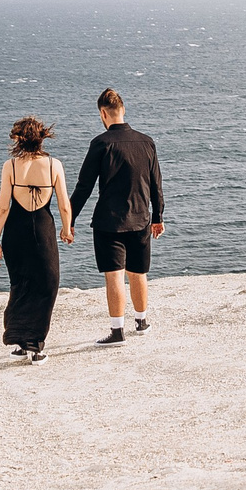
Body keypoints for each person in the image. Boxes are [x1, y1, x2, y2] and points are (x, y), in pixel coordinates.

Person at [68, 87, 166, 345]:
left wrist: (69, 220)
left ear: (103, 113)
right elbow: (156, 183)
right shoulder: (146, 142)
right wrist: (158, 217)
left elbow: (83, 187)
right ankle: (142, 322)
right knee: (138, 273)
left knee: (114, 275)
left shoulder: (100, 144)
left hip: (108, 222)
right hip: (141, 218)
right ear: (123, 111)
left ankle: (117, 331)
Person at [0, 116, 73, 364]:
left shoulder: (11, 166)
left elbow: (3, 207)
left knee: (21, 284)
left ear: (19, 139)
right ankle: (35, 345)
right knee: (47, 284)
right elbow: (64, 204)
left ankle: (22, 341)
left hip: (16, 231)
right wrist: (67, 229)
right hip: (43, 230)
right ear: (41, 137)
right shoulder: (53, 165)